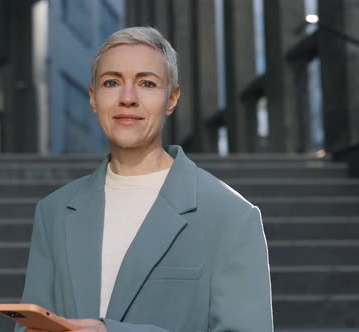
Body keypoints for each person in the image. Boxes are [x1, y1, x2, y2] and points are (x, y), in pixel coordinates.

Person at [17, 27, 273, 332]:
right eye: (111, 82)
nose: (128, 98)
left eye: (147, 83)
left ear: (171, 99)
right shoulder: (54, 211)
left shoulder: (231, 215)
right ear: (93, 97)